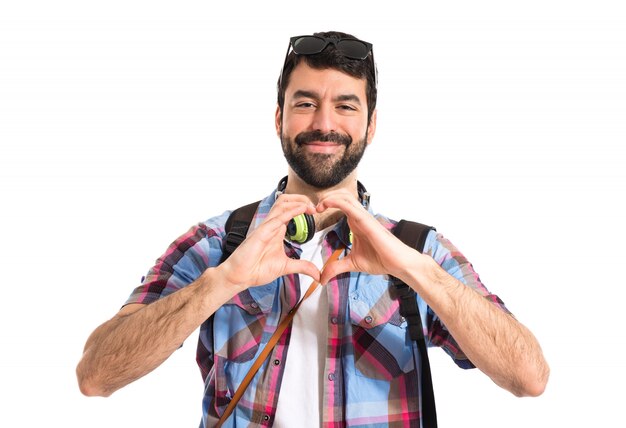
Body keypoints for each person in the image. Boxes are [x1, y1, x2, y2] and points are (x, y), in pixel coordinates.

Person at [76, 30, 549, 427]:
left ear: (371, 125)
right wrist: (220, 283)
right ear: (280, 117)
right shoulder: (219, 244)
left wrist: (416, 271)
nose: (324, 124)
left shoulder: (416, 249)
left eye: (345, 106)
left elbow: (529, 377)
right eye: (305, 103)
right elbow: (96, 375)